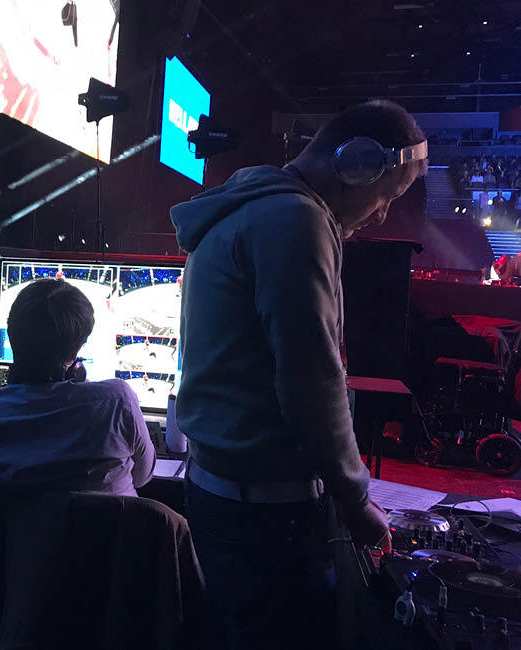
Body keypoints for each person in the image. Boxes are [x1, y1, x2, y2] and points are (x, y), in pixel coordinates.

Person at [170, 99, 427, 649]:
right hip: (266, 517)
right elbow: (312, 383)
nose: (382, 214)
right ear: (357, 164)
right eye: (389, 194)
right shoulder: (294, 219)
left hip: (224, 495)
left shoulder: (250, 207)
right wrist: (356, 501)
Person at [0, 278, 155, 564]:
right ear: (78, 348)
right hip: (113, 579)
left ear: (11, 334)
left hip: (10, 586)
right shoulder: (117, 402)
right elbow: (143, 476)